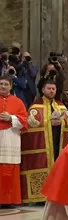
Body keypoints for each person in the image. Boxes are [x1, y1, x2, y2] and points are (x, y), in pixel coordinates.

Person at [20, 80, 68, 204]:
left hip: (57, 144)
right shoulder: (35, 106)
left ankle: (57, 194)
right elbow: (30, 125)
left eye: (53, 89)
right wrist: (48, 122)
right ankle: (40, 197)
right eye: (49, 88)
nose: (51, 91)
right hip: (43, 146)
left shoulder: (61, 106)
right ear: (43, 90)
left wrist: (61, 123)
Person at [0, 75, 27, 208]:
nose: (3, 86)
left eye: (6, 84)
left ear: (11, 86)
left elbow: (24, 122)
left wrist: (11, 118)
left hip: (11, 138)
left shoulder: (18, 102)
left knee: (10, 169)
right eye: (1, 84)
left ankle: (9, 200)